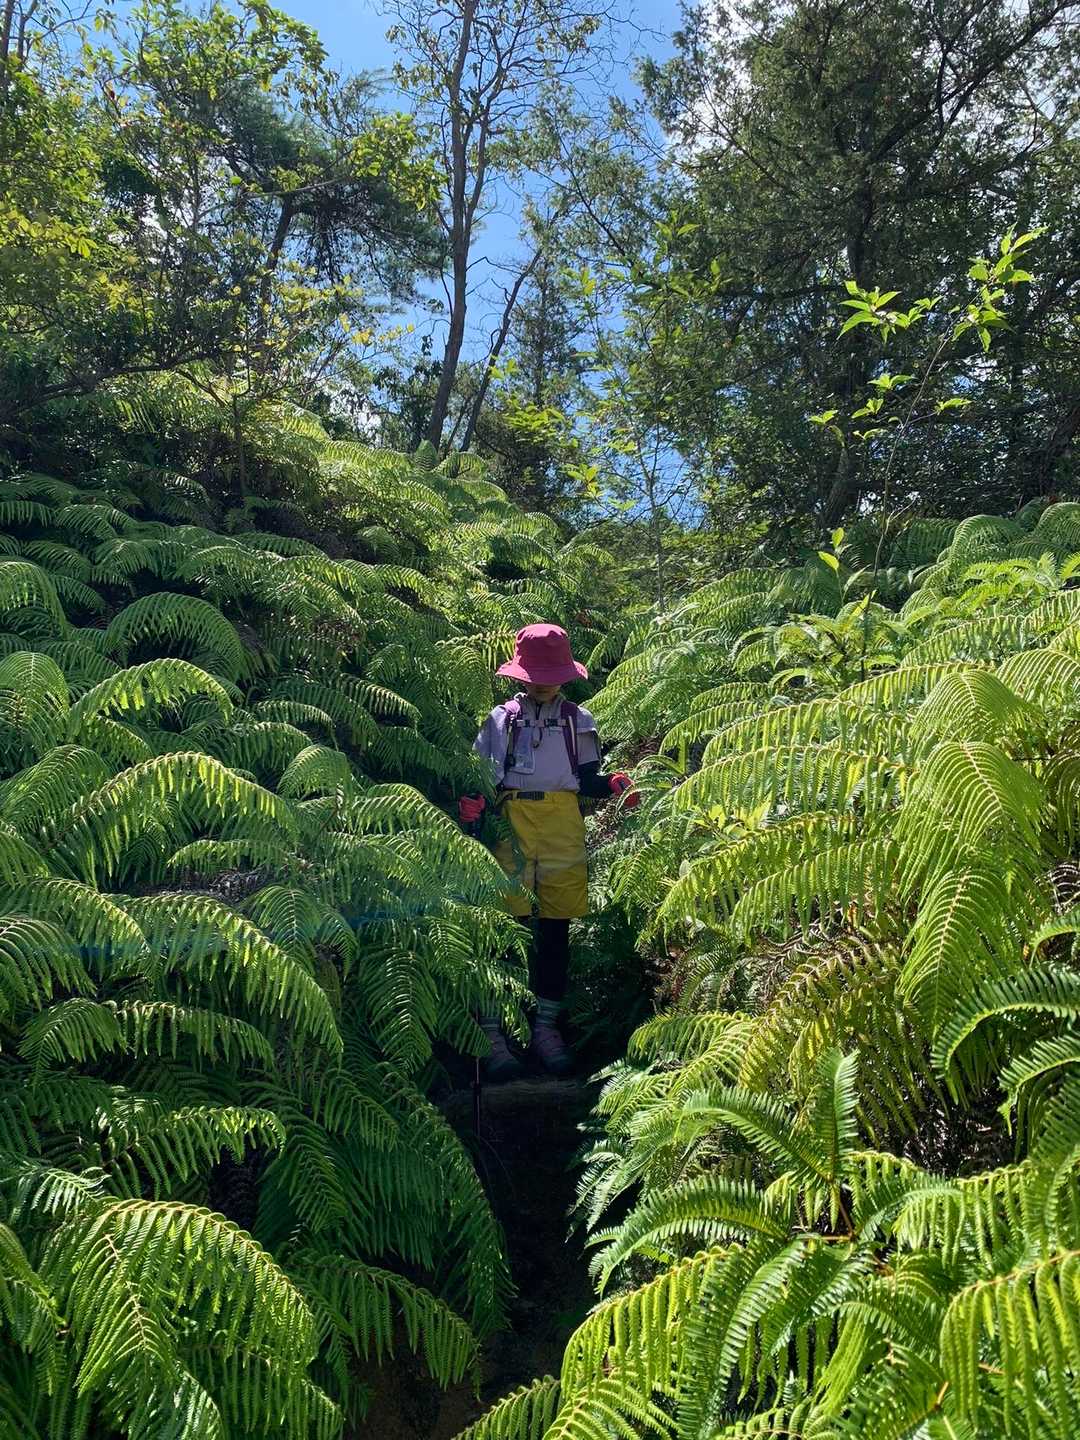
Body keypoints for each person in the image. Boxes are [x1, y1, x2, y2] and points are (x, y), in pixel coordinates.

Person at [459, 622, 638, 1079]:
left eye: (551, 676)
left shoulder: (579, 720)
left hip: (563, 823)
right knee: (506, 927)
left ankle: (545, 1028)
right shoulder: (500, 720)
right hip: (511, 821)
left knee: (556, 927)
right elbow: (479, 779)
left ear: (565, 676)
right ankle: (494, 1032)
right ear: (521, 675)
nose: (543, 684)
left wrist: (614, 785)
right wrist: (472, 805)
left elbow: (588, 780)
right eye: (536, 676)